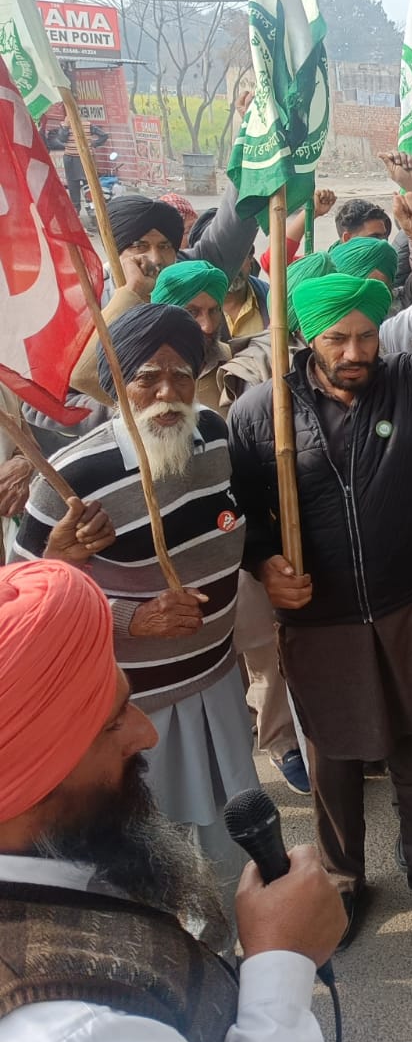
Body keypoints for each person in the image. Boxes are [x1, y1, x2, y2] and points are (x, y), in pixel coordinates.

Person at [227, 191, 412, 940]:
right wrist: (263, 562)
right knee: (335, 759)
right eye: (337, 340)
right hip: (317, 618)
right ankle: (340, 879)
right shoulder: (261, 412)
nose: (355, 353)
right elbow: (242, 513)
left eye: (365, 338)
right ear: (307, 338)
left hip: (409, 602)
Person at [0, 559, 344, 1042]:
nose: (147, 734)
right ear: (25, 777)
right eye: (114, 722)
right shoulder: (73, 1033)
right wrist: (282, 960)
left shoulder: (54, 857)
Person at [12, 304, 258, 945]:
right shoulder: (71, 481)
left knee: (234, 836)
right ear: (115, 383)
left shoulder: (213, 435)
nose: (167, 394)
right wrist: (129, 616)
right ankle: (171, 967)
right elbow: (20, 604)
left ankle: (236, 952)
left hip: (217, 681)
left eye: (182, 376)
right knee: (155, 858)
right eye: (147, 377)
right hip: (134, 709)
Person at [69, 188, 258, 403]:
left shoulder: (189, 276)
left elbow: (232, 230)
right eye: (140, 246)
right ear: (115, 251)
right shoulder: (87, 297)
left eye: (165, 246)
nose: (156, 258)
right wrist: (133, 292)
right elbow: (80, 379)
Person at [148, 261, 234, 410]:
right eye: (192, 312)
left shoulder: (236, 363)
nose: (208, 327)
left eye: (214, 311)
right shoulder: (139, 369)